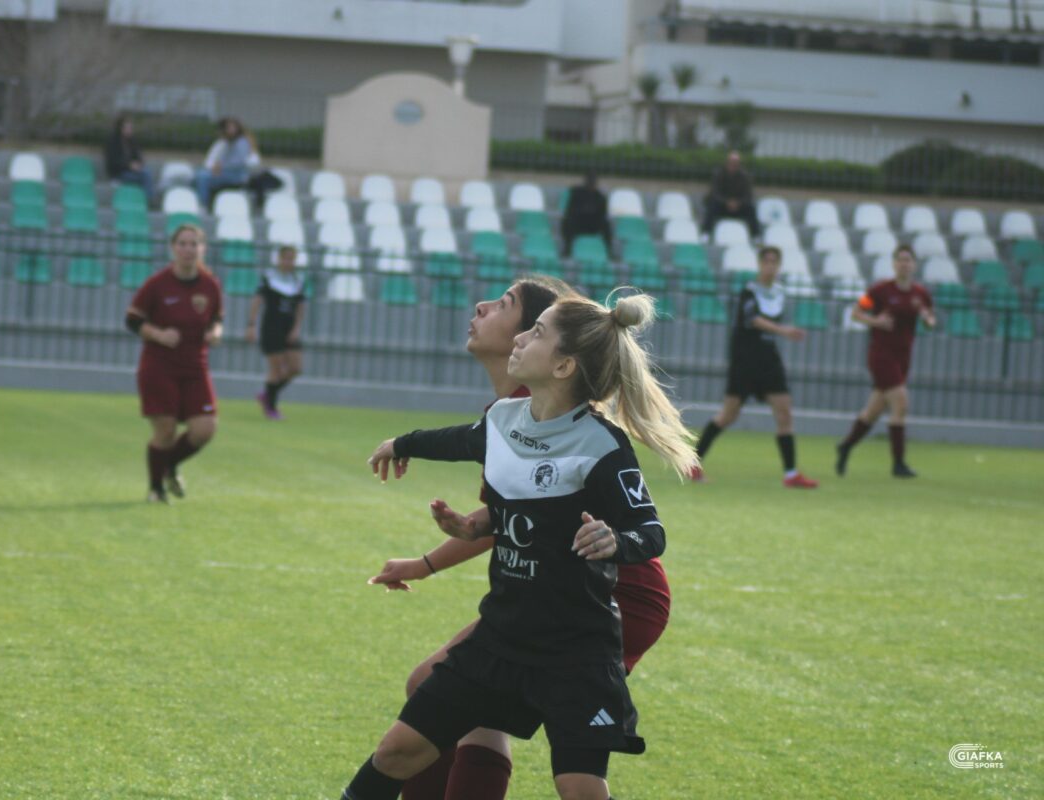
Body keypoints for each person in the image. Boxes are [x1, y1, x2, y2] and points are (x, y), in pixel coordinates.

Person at [343, 292, 697, 800]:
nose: (521, 336)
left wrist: (616, 539)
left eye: (537, 331)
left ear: (563, 365)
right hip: (502, 636)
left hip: (577, 649)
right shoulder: (504, 419)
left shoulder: (602, 445)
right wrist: (404, 445)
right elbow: (458, 442)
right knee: (397, 751)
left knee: (580, 787)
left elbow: (650, 532)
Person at [690, 246, 818, 488]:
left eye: (774, 262)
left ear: (779, 266)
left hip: (769, 360)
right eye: (766, 261)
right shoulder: (749, 292)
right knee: (728, 415)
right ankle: (692, 463)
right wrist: (784, 331)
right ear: (760, 264)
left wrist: (781, 332)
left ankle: (791, 474)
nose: (770, 266)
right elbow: (752, 320)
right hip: (745, 360)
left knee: (784, 412)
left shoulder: (778, 293)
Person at [125, 223, 224, 502]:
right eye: (183, 243)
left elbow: (216, 318)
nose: (188, 249)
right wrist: (159, 334)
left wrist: (216, 332)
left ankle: (168, 466)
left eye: (194, 244)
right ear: (173, 248)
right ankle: (156, 489)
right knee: (165, 430)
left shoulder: (210, 285)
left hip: (195, 367)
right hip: (159, 367)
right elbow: (133, 320)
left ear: (203, 249)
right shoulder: (157, 284)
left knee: (205, 429)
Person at [836, 244, 936, 478]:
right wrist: (876, 322)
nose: (904, 264)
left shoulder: (921, 294)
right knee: (901, 403)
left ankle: (846, 446)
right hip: (881, 354)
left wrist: (928, 320)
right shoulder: (879, 290)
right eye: (900, 259)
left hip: (903, 356)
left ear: (914, 264)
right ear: (893, 264)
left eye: (908, 260)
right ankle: (898, 464)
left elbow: (931, 319)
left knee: (873, 412)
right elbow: (856, 313)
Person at [246, 245, 306, 420]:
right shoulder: (268, 278)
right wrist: (251, 324)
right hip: (271, 327)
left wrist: (296, 328)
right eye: (285, 258)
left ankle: (267, 394)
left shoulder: (298, 281)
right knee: (277, 369)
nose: (288, 262)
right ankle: (271, 407)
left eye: (291, 259)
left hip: (289, 328)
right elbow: (257, 301)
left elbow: (300, 306)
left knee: (295, 368)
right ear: (278, 259)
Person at [194, 117, 257, 209]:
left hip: (236, 175)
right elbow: (214, 159)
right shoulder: (226, 142)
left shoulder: (242, 142)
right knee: (197, 174)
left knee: (203, 177)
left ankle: (203, 205)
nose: (230, 130)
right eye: (228, 128)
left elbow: (239, 162)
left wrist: (221, 167)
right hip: (225, 172)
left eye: (232, 127)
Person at [701, 150, 759, 239]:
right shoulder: (718, 174)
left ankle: (755, 236)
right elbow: (715, 193)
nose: (733, 165)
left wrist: (738, 203)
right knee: (712, 206)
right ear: (727, 163)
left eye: (736, 163)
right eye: (731, 162)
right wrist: (727, 202)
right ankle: (706, 233)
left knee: (750, 208)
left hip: (739, 207)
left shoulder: (745, 176)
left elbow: (748, 195)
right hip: (722, 206)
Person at [560, 171, 611, 257]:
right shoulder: (576, 193)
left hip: (592, 225)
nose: (591, 183)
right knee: (569, 221)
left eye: (593, 181)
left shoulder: (600, 197)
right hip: (578, 223)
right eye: (590, 180)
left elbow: (603, 214)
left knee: (606, 225)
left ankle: (609, 251)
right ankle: (567, 248)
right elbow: (570, 210)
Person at [104, 114, 153, 203]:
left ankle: (146, 199)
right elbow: (113, 162)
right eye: (127, 128)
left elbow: (138, 156)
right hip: (119, 173)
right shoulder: (113, 142)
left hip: (132, 172)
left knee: (147, 172)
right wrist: (129, 165)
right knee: (146, 176)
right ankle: (148, 200)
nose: (130, 130)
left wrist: (138, 164)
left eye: (131, 128)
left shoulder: (132, 141)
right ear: (121, 128)